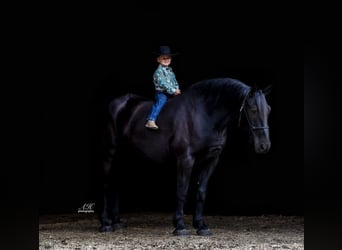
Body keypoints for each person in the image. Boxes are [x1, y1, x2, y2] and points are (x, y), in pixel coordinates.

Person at [145, 45, 181, 130]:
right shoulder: (158, 72)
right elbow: (163, 84)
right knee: (161, 101)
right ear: (158, 60)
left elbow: (174, 81)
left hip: (172, 92)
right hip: (162, 93)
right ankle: (151, 120)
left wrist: (177, 88)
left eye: (168, 58)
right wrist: (173, 90)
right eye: (164, 58)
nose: (166, 60)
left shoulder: (170, 71)